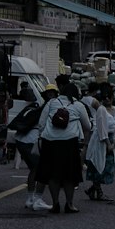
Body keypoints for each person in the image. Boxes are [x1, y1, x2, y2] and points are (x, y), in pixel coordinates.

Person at [35, 83, 92, 213]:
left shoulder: (51, 103)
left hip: (50, 142)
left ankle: (55, 204)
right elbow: (87, 126)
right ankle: (69, 204)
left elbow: (41, 123)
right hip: (69, 143)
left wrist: (42, 137)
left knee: (52, 174)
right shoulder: (78, 105)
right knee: (69, 175)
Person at [85, 87, 115, 201]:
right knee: (99, 166)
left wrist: (114, 141)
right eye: (104, 97)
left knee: (107, 166)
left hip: (110, 140)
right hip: (100, 141)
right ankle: (98, 192)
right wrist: (108, 143)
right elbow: (101, 128)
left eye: (109, 96)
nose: (107, 99)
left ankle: (92, 190)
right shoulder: (101, 110)